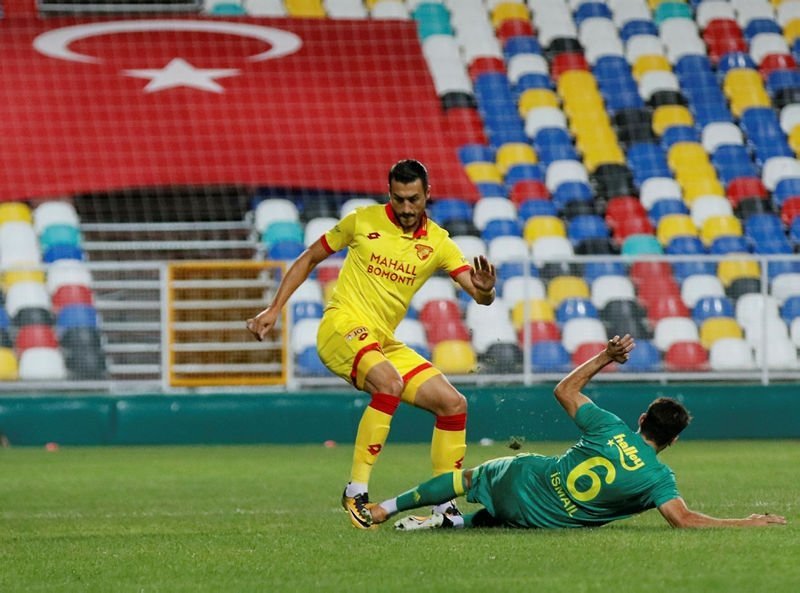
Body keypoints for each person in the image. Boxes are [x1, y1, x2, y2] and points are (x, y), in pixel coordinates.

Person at [247, 159, 497, 529]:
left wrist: (487, 290)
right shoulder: (362, 221)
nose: (407, 208)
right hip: (340, 328)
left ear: (428, 195)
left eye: (414, 199)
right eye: (399, 199)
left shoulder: (439, 242)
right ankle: (356, 490)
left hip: (382, 341)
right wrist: (275, 307)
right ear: (389, 195)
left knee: (452, 404)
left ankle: (444, 508)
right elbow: (310, 257)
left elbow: (478, 296)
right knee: (390, 383)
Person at [366, 334, 787, 530]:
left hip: (524, 478)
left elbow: (564, 389)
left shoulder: (608, 426)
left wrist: (606, 355)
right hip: (543, 521)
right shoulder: (659, 480)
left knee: (468, 478)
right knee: (504, 517)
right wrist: (746, 522)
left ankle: (387, 507)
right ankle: (453, 526)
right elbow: (684, 520)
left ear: (642, 420)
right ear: (672, 441)